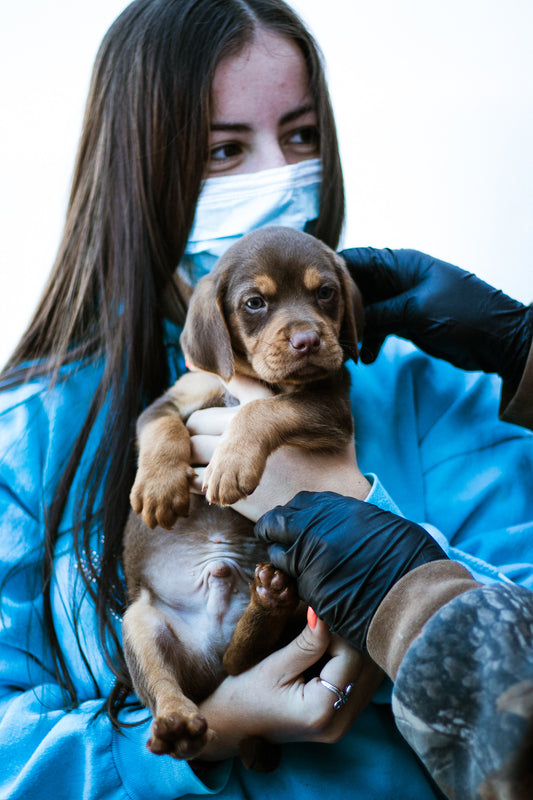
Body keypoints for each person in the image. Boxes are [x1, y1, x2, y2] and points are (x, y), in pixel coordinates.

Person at [0, 0, 531, 798]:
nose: (273, 180)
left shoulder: (446, 395)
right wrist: (206, 735)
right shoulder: (30, 437)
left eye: (300, 137)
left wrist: (372, 522)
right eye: (222, 149)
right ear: (135, 174)